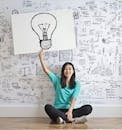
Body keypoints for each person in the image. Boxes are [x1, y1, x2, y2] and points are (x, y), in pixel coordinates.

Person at [39, 49, 92, 124]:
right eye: (65, 69)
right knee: (48, 107)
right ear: (63, 71)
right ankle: (72, 120)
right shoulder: (57, 80)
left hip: (69, 110)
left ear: (73, 71)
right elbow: (46, 70)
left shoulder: (77, 84)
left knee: (88, 108)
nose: (67, 70)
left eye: (70, 69)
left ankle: (62, 119)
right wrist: (41, 58)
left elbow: (74, 98)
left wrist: (70, 111)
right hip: (57, 110)